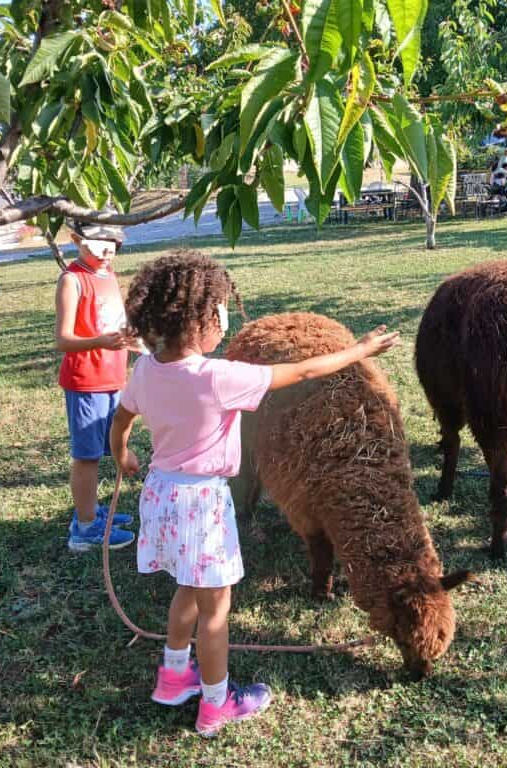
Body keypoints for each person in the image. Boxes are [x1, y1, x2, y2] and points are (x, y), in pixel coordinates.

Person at [109, 250, 399, 737]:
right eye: (221, 310)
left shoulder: (145, 370)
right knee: (215, 610)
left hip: (161, 494)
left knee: (187, 585)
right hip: (201, 503)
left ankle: (174, 676)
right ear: (202, 320)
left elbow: (121, 420)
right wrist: (360, 350)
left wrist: (122, 455)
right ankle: (216, 704)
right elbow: (302, 372)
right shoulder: (218, 377)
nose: (225, 319)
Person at [56, 223, 143, 552]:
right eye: (98, 244)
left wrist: (130, 340)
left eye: (113, 244)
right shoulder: (72, 280)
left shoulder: (107, 273)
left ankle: (90, 510)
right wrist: (100, 342)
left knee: (108, 445)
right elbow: (63, 340)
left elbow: (112, 322)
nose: (107, 252)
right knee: (87, 456)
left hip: (112, 378)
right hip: (86, 381)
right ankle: (85, 528)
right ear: (76, 240)